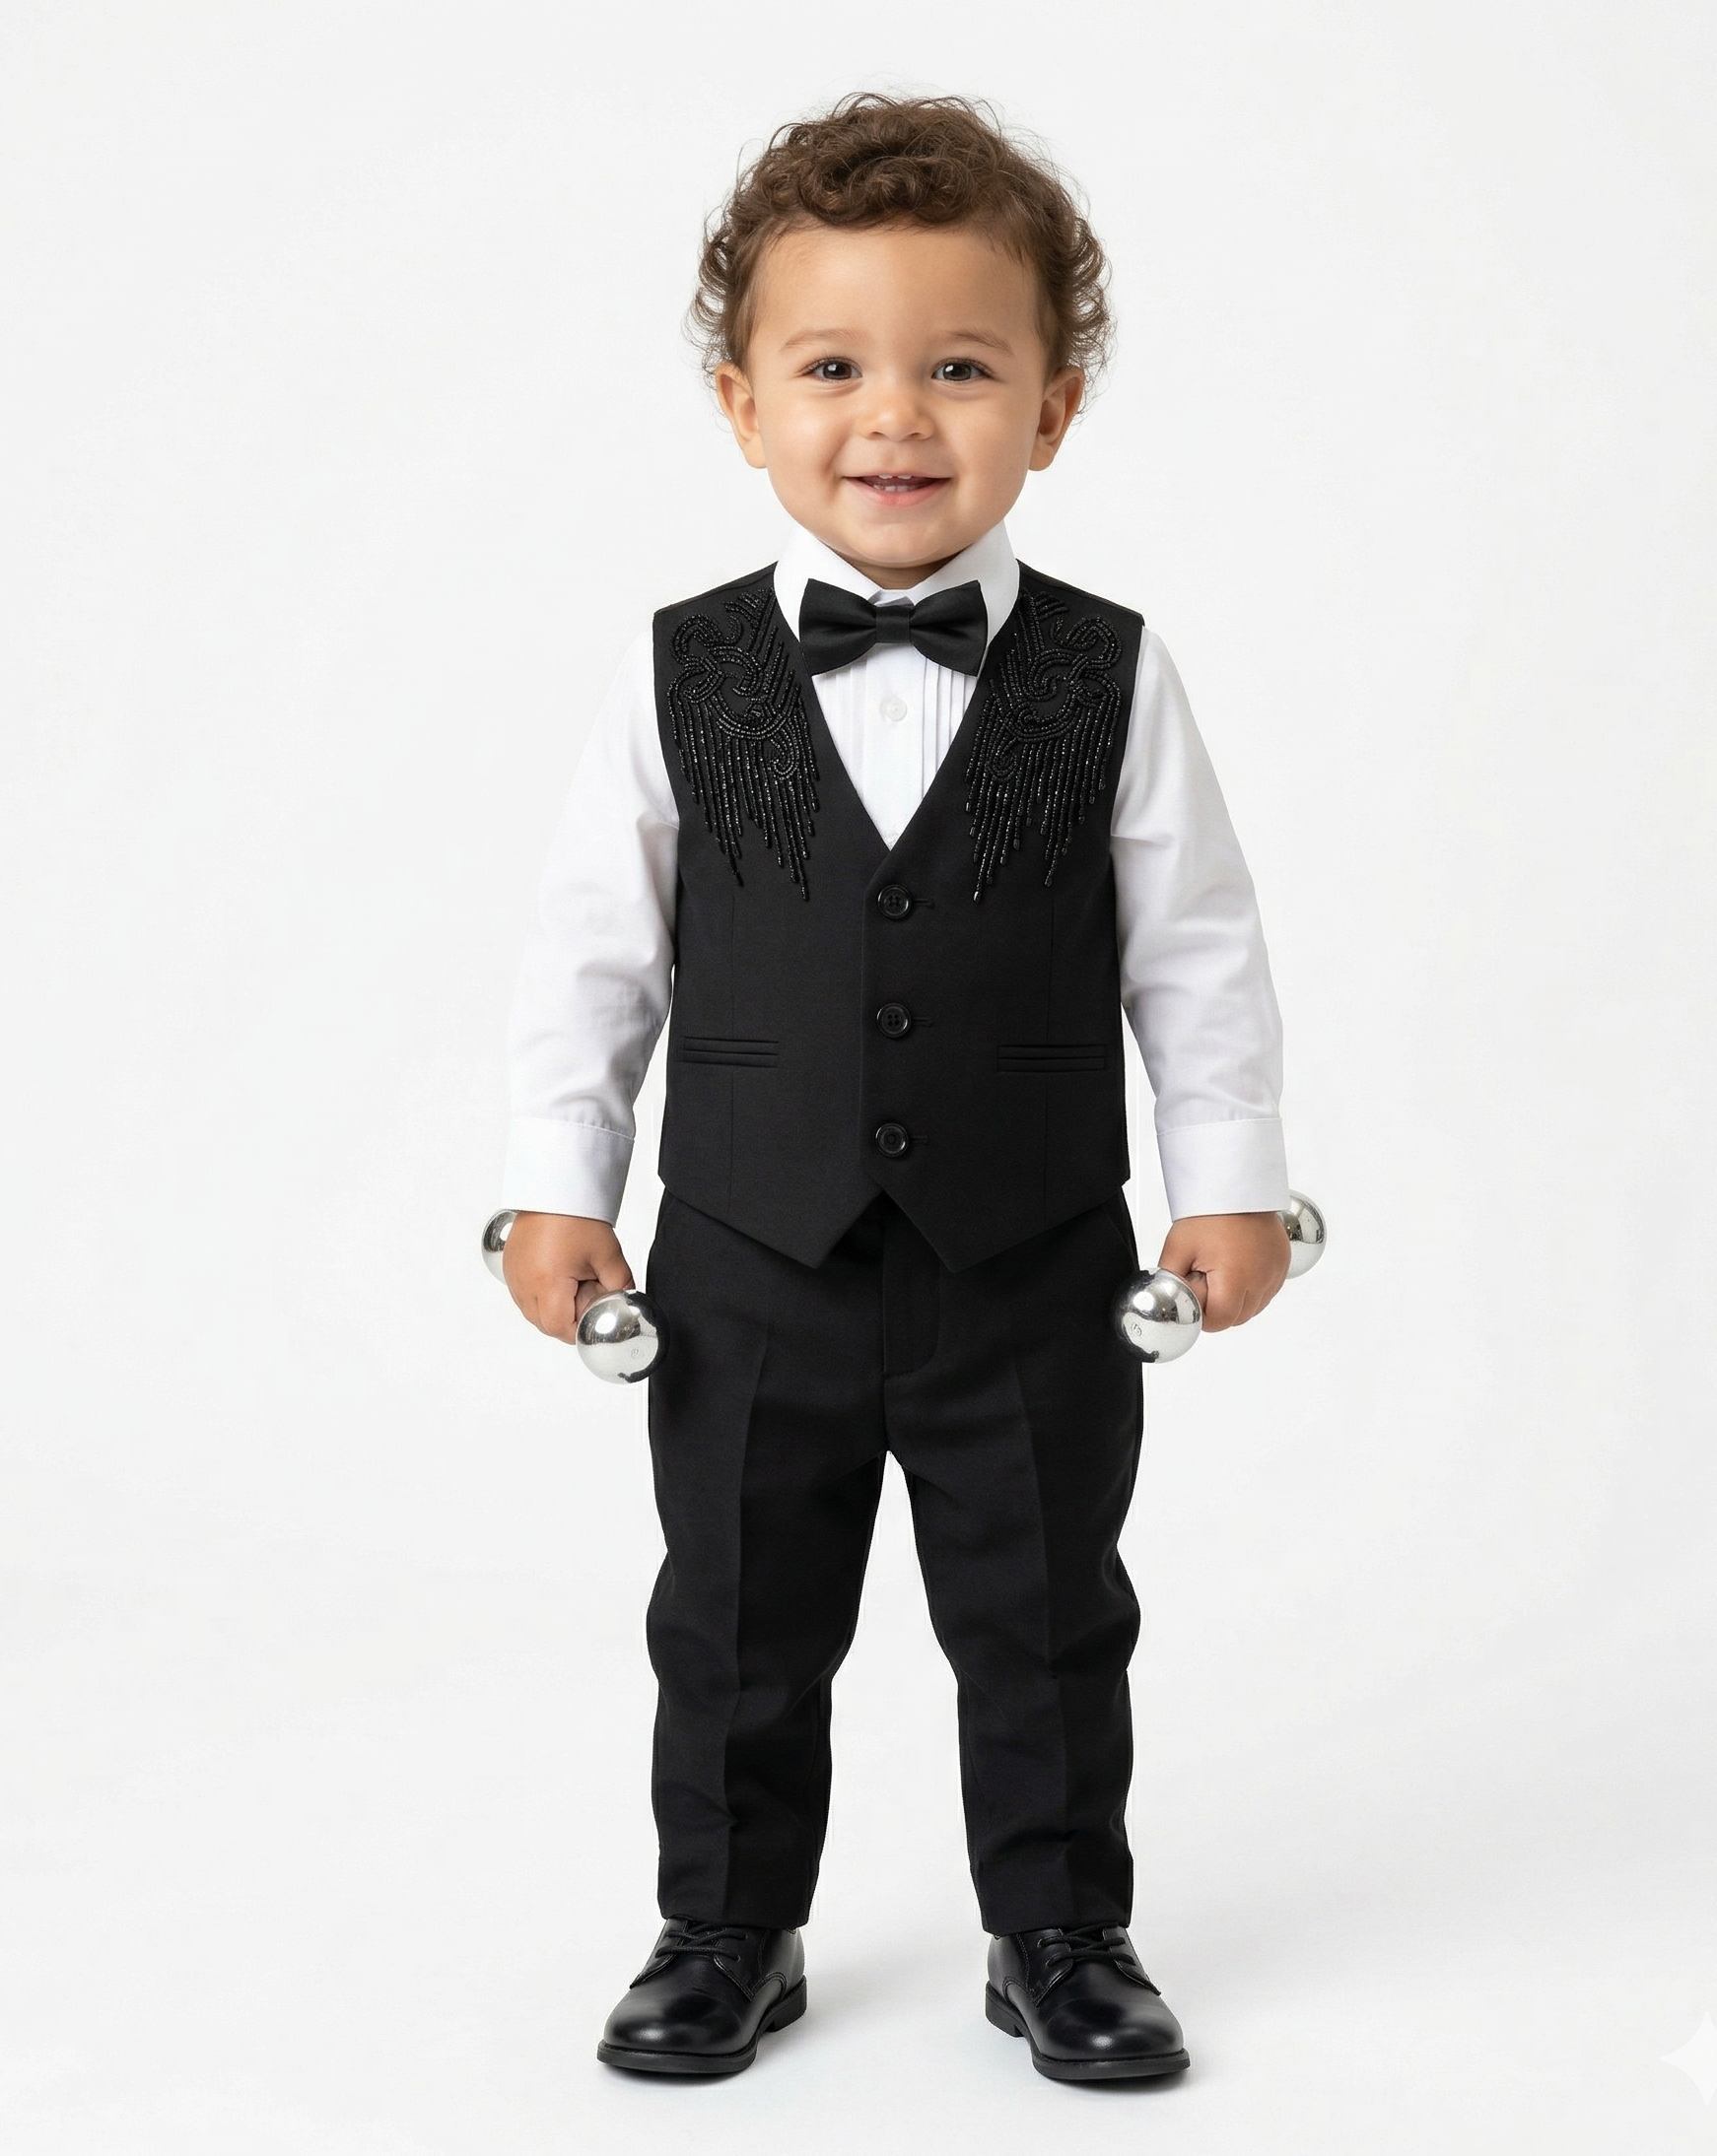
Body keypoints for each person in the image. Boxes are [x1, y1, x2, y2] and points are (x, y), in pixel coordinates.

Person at [498, 92, 1293, 2084]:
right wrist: (558, 1178)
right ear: (741, 404)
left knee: (1045, 1613)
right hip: (746, 1251)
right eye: (832, 367)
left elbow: (1195, 943)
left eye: (959, 368)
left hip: (1030, 1256)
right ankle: (724, 1923)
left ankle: (1060, 1929)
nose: (895, 419)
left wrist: (1229, 1176)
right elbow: (594, 948)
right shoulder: (677, 670)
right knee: (734, 1612)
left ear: (1053, 408)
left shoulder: (1113, 673)